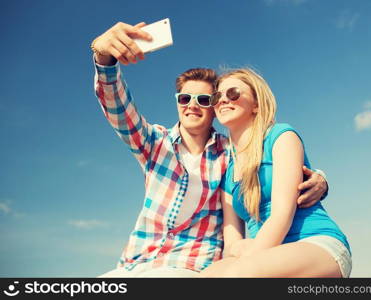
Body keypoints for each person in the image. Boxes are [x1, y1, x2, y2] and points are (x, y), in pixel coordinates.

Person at [91, 21, 329, 277]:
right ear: (177, 103)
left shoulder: (230, 154)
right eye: (184, 98)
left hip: (188, 264)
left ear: (214, 107)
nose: (192, 105)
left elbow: (273, 160)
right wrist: (103, 57)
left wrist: (319, 177)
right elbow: (118, 108)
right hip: (134, 263)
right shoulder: (153, 143)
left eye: (204, 100)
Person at [198, 68, 352, 278]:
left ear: (256, 104)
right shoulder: (228, 171)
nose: (223, 100)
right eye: (217, 96)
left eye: (232, 93)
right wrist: (240, 250)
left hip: (312, 242)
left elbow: (282, 214)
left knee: (238, 275)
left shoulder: (281, 137)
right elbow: (232, 238)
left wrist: (248, 256)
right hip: (261, 253)